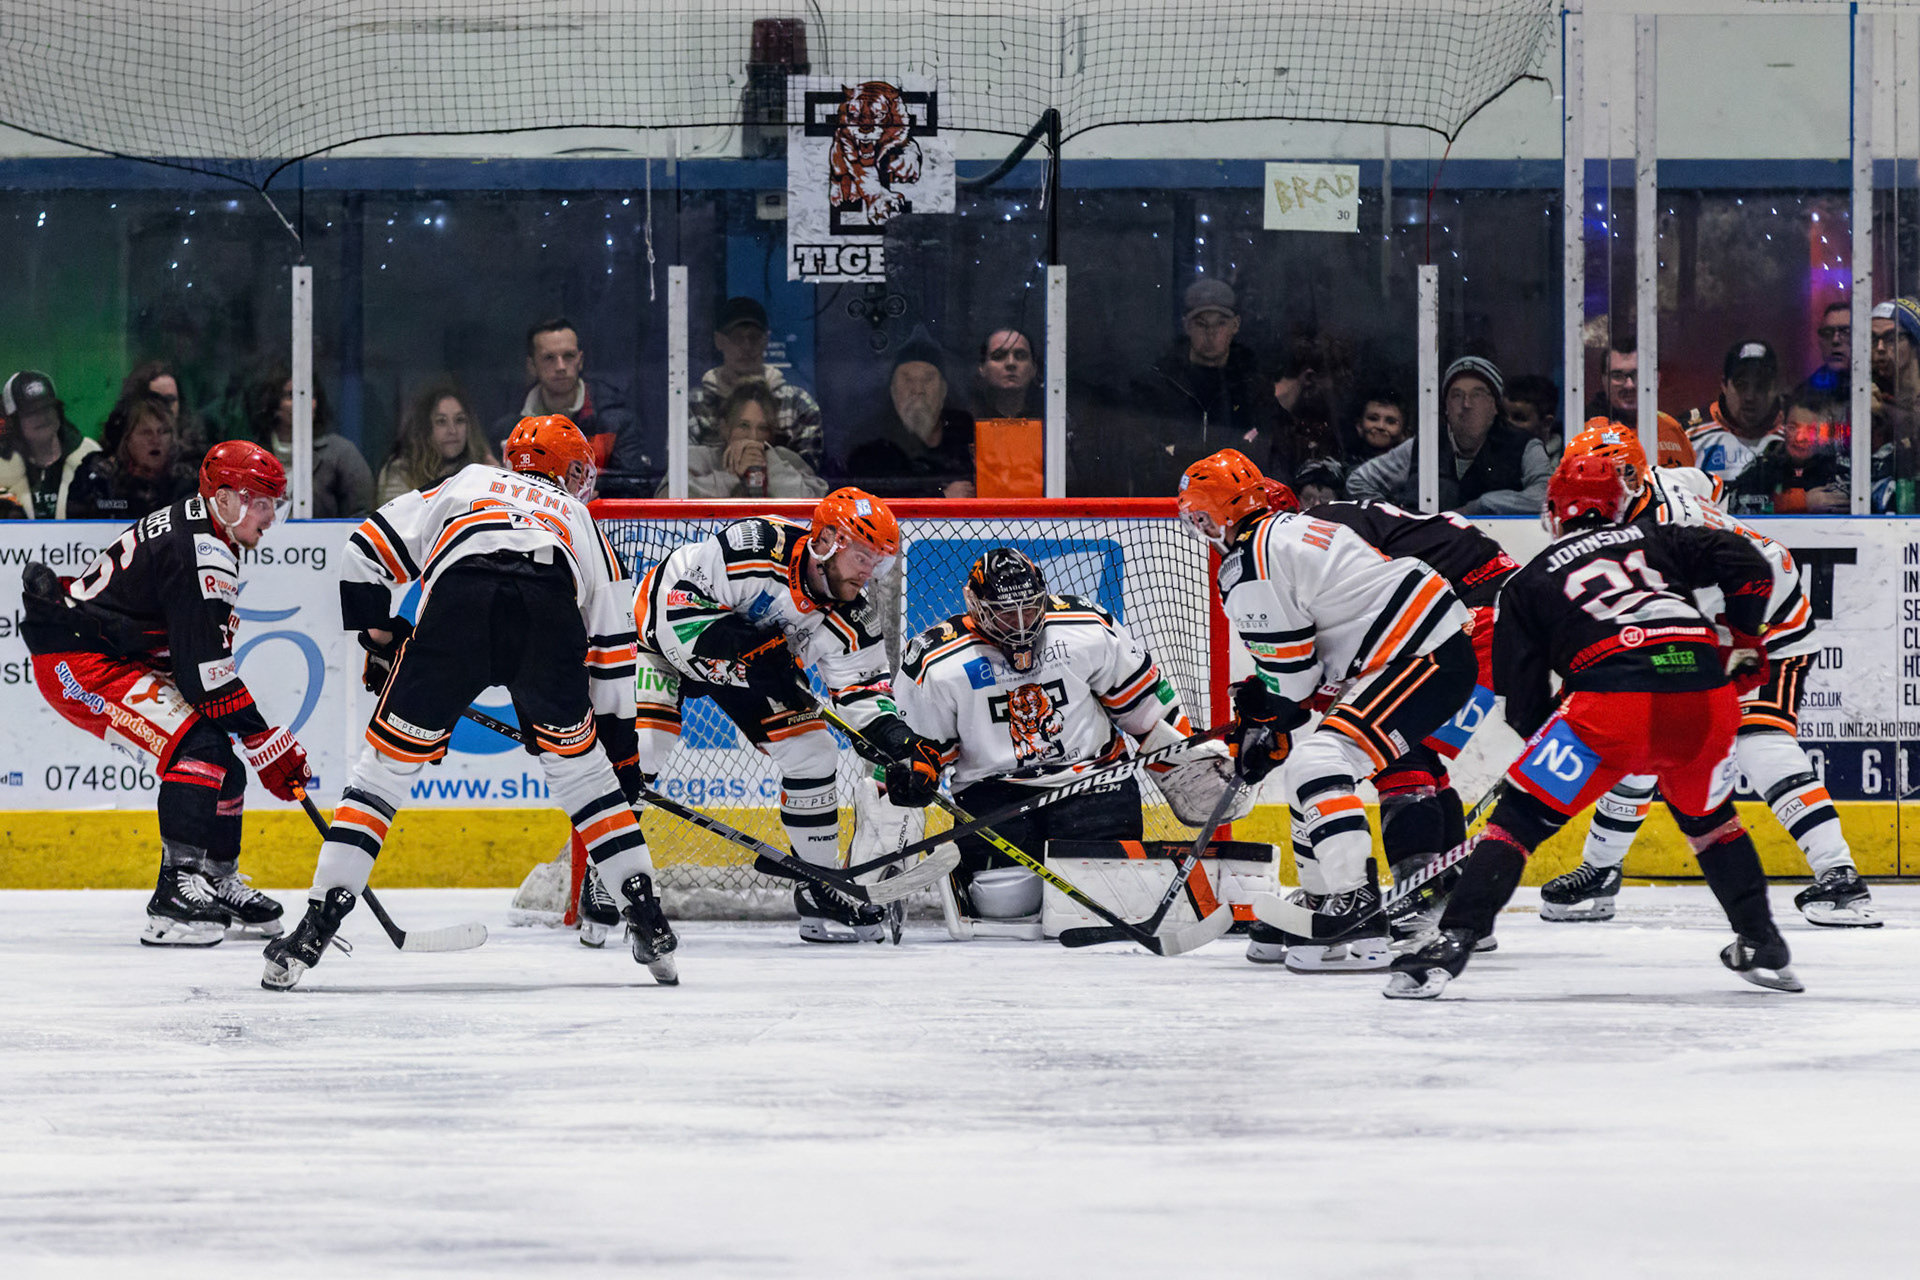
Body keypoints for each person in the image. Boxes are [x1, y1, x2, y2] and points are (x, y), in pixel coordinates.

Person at [265, 414, 675, 989]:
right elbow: (610, 651)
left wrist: (381, 639)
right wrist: (619, 755)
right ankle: (649, 921)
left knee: (381, 776)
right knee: (586, 781)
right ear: (566, 471)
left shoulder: (468, 481)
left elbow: (363, 547)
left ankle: (315, 926)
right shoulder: (581, 520)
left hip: (459, 601)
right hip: (547, 612)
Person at [1387, 453, 1800, 999]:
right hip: (1705, 700)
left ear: (1554, 513)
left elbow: (1521, 702)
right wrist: (1745, 637)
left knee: (1518, 821)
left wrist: (1550, 740)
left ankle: (1452, 942)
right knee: (1712, 823)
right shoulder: (1655, 537)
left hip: (1611, 708)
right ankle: (1762, 941)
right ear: (1619, 507)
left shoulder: (1528, 581)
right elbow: (1746, 560)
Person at [1536, 426, 1877, 928]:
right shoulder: (1662, 480)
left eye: (1603, 481)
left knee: (1759, 742)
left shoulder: (1657, 541)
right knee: (1641, 735)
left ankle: (1841, 878)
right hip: (1719, 617)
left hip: (1768, 625)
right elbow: (1711, 487)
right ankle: (1600, 871)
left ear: (1630, 477)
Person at [1177, 448, 1476, 972]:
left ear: (1217, 514)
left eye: (1200, 516)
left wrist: (1264, 716)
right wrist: (1267, 711)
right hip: (1413, 649)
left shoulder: (1249, 563)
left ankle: (1353, 904)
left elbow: (1292, 680)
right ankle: (1321, 898)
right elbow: (1301, 666)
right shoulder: (1290, 530)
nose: (1199, 528)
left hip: (1416, 654)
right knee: (1310, 766)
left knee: (1318, 763)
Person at [18, 441, 304, 946]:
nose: (270, 517)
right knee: (202, 748)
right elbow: (203, 676)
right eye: (261, 502)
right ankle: (173, 892)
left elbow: (194, 661)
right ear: (224, 499)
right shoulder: (204, 551)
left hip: (108, 651)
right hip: (80, 662)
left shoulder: (202, 525)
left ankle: (215, 879)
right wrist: (262, 738)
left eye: (274, 503)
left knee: (225, 767)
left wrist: (252, 738)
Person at [630, 487, 933, 943]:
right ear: (827, 541)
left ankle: (819, 884)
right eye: (863, 557)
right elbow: (677, 611)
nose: (869, 573)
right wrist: (751, 649)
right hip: (657, 639)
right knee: (646, 747)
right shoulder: (752, 546)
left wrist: (902, 747)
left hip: (747, 669)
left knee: (814, 751)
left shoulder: (854, 618)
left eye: (879, 562)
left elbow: (863, 693)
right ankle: (607, 874)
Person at [890, 547, 1240, 936]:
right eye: (1005, 613)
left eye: (1029, 609)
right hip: (995, 794)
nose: (1021, 624)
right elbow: (919, 748)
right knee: (1005, 903)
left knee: (1105, 896)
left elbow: (1146, 710)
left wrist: (1187, 757)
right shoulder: (937, 661)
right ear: (977, 607)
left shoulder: (1085, 627)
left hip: (1094, 783)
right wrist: (916, 769)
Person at [1128, 280, 1281, 493]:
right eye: (1201, 324)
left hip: (1238, 505)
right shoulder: (1158, 386)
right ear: (1186, 326)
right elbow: (1143, 458)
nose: (1211, 333)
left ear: (1235, 325)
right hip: (1170, 505)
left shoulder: (1254, 388)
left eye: (1220, 323)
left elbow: (1273, 452)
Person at [1346, 356, 1552, 514]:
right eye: (1456, 395)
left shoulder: (1525, 447)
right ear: (1446, 408)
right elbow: (1359, 482)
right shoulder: (1424, 446)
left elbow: (1546, 495)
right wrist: (1394, 519)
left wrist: (1482, 506)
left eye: (1477, 395)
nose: (1466, 404)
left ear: (1495, 406)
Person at [491, 317, 651, 483]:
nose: (560, 367)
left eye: (568, 356)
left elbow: (637, 487)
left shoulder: (617, 423)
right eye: (549, 358)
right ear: (532, 366)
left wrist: (591, 491)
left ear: (580, 361)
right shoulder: (509, 431)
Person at [690, 297, 825, 472]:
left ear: (765, 341)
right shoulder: (694, 406)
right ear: (719, 341)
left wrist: (758, 461)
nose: (747, 346)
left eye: (754, 338)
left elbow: (808, 477)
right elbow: (680, 476)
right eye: (737, 338)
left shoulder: (798, 404)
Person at [844, 329, 976, 499]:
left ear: (943, 390)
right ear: (893, 390)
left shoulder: (965, 436)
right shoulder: (870, 448)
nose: (918, 389)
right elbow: (869, 502)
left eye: (927, 379)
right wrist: (940, 497)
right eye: (908, 379)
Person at [247, 370, 374, 518]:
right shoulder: (252, 456)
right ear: (272, 404)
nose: (306, 402)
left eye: (311, 395)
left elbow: (362, 515)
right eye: (292, 396)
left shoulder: (341, 453)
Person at [673, 381, 827, 499]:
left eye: (763, 428)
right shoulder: (697, 459)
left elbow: (814, 505)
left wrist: (770, 463)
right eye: (743, 426)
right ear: (725, 428)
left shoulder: (787, 460)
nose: (753, 437)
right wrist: (731, 477)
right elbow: (668, 498)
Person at [66, 390, 200, 521]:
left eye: (164, 431)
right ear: (125, 438)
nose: (156, 440)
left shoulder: (189, 480)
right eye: (146, 432)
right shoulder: (97, 478)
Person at [1724, 389, 1850, 514]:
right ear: (1783, 428)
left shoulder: (1840, 470)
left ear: (1825, 433)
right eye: (1792, 428)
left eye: (1811, 430)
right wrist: (1799, 502)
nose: (1799, 438)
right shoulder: (1762, 468)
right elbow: (1734, 507)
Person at [0, 370, 102, 519]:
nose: (42, 416)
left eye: (46, 407)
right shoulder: (3, 468)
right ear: (14, 421)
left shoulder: (90, 455)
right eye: (30, 412)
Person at [1685, 340, 1786, 489]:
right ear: (1724, 385)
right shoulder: (1690, 436)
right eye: (1741, 385)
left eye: (1761, 386)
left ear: (1775, 388)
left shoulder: (1793, 437)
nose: (1750, 397)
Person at [375, 384, 494, 504]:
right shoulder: (401, 471)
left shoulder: (481, 468)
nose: (452, 430)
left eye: (459, 420)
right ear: (424, 428)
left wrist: (495, 482)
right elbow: (396, 514)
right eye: (441, 421)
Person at [119, 359, 207, 464]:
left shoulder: (196, 453)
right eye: (157, 400)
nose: (165, 408)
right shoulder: (117, 458)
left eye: (170, 400)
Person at [970, 327, 1043, 421]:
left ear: (1034, 369)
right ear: (982, 368)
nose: (1010, 363)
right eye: (998, 356)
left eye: (1021, 356)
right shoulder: (967, 419)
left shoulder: (1052, 414)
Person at [1796, 300, 1853, 404]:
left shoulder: (1869, 387)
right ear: (1820, 343)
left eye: (1846, 332)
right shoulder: (1805, 394)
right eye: (1828, 333)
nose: (1835, 340)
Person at [1501, 374, 1562, 464]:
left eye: (1519, 418)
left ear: (1546, 423)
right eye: (1503, 415)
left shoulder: (1564, 462)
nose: (1508, 423)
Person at [1341, 389, 1408, 465]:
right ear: (1359, 426)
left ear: (1404, 433)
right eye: (1373, 418)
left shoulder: (1412, 468)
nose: (1381, 426)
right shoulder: (1342, 466)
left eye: (1391, 422)